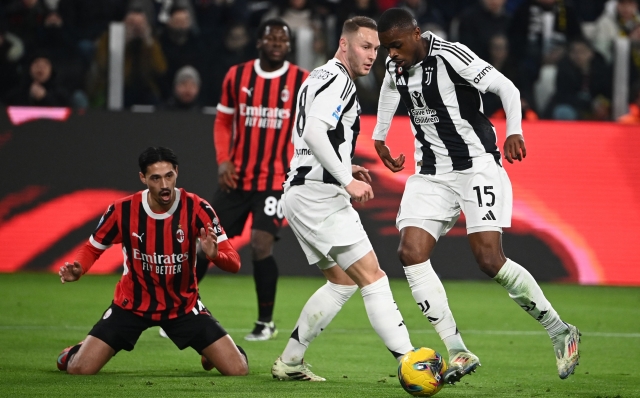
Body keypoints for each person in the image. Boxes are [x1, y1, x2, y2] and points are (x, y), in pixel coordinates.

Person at [372, 8, 581, 382]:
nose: (392, 55)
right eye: (388, 49)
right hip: (431, 176)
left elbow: (507, 88)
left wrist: (514, 130)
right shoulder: (395, 66)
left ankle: (560, 330)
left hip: (476, 168)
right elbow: (390, 90)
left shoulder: (453, 55)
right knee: (409, 253)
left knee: (489, 260)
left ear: (416, 34)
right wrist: (379, 136)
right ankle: (458, 350)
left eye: (397, 46)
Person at [270, 16, 415, 382]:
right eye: (365, 47)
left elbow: (304, 136)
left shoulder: (317, 75)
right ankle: (411, 362)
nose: (371, 56)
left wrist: (344, 164)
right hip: (320, 196)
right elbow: (316, 132)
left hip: (300, 191)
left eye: (376, 50)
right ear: (344, 43)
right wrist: (345, 180)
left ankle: (290, 361)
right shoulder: (339, 80)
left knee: (342, 281)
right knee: (374, 277)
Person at [56, 146, 248, 376]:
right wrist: (80, 268)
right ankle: (77, 350)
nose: (164, 185)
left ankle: (215, 349)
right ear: (143, 178)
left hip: (183, 307)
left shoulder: (198, 208)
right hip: (131, 306)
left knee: (238, 370)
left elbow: (235, 263)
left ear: (177, 172)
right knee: (79, 369)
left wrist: (215, 255)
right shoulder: (122, 210)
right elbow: (91, 248)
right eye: (156, 178)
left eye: (169, 176)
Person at [210, 18, 309, 342]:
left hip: (274, 180)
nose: (278, 42)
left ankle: (265, 322)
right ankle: (184, 310)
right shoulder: (236, 76)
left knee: (260, 245)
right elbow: (223, 122)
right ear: (259, 42)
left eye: (283, 38)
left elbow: (312, 128)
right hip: (237, 178)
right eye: (272, 37)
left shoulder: (301, 80)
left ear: (290, 46)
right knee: (203, 241)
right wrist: (223, 161)